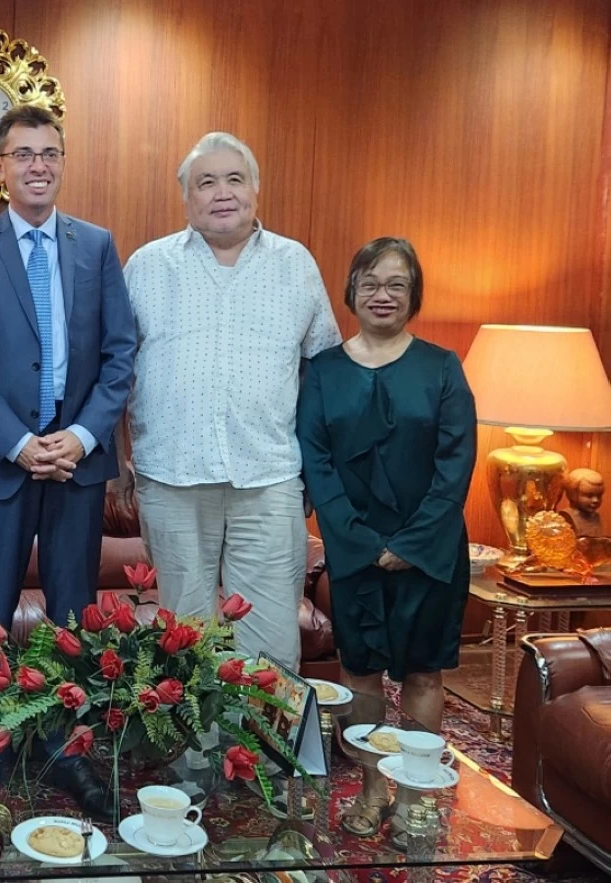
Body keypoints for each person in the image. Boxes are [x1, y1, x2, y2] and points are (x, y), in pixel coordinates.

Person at [0, 105, 135, 817]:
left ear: (63, 159)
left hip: (77, 462)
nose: (38, 165)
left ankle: (70, 750)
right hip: (0, 463)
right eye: (23, 154)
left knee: (72, 616)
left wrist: (80, 435)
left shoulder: (97, 246)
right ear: (1, 166)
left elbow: (120, 352)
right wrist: (19, 444)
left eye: (50, 152)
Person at [121, 132, 340, 671]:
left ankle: (263, 758)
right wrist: (113, 459)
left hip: (268, 480)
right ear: (187, 198)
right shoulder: (147, 266)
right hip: (171, 478)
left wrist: (318, 470)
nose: (222, 193)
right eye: (206, 182)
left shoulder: (296, 265)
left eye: (234, 179)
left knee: (268, 645)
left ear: (256, 190)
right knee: (182, 640)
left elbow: (324, 372)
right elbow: (112, 370)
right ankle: (188, 759)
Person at [296, 237, 477, 836]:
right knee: (360, 672)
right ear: (351, 292)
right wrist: (355, 540)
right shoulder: (322, 372)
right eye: (371, 282)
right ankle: (374, 787)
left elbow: (456, 464)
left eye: (396, 284)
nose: (382, 294)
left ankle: (415, 793)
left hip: (430, 551)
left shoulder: (443, 367)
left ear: (413, 296)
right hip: (353, 550)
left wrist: (412, 542)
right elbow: (316, 462)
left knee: (423, 672)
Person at [562, 467, 605, 537]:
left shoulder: (595, 516)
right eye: (589, 496)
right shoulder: (566, 516)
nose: (595, 500)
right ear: (573, 494)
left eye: (599, 495)